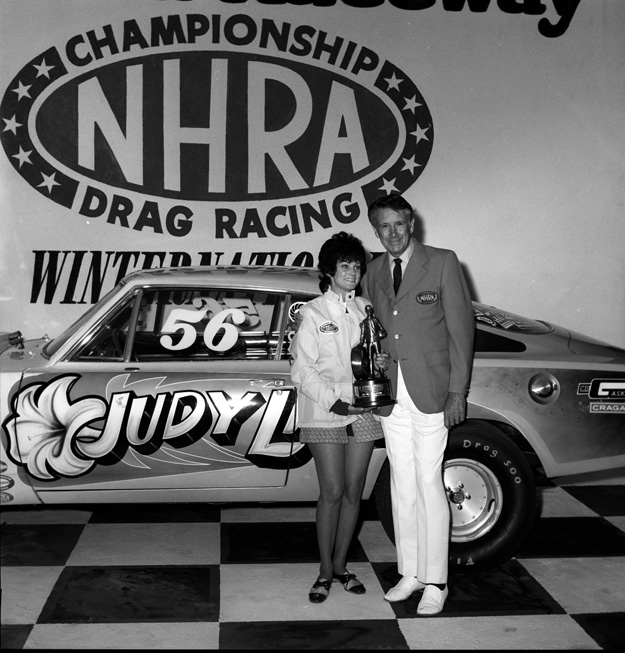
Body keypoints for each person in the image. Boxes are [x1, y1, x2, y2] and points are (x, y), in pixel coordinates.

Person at [360, 193, 474, 616]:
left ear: (412, 223)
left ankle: (437, 581)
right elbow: (375, 329)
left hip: (431, 391)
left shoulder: (443, 262)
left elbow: (462, 333)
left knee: (429, 483)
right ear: (375, 230)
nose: (392, 234)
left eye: (398, 225)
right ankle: (410, 573)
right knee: (400, 485)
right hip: (391, 397)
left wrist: (456, 391)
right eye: (383, 227)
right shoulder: (373, 271)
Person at [290, 231, 390, 604]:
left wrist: (380, 362)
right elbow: (302, 370)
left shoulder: (366, 308)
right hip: (326, 411)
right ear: (329, 270)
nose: (352, 271)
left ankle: (343, 566)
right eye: (345, 265)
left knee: (353, 493)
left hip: (363, 410)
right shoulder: (313, 312)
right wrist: (335, 404)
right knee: (331, 492)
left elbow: (372, 358)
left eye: (356, 265)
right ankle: (324, 572)